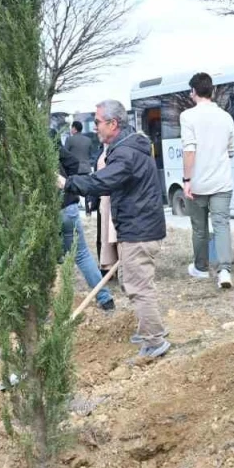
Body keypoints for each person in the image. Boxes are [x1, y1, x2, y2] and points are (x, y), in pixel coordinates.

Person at [61, 100, 170, 360]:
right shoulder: (129, 145)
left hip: (139, 229)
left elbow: (102, 181)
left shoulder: (125, 153)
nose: (95, 127)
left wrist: (67, 183)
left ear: (113, 123)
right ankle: (150, 330)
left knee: (137, 285)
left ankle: (154, 341)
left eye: (98, 121)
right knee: (136, 282)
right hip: (140, 225)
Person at [181, 72, 234, 289]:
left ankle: (201, 267)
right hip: (222, 181)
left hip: (197, 183)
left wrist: (187, 179)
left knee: (199, 228)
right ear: (212, 91)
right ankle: (224, 270)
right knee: (222, 224)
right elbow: (230, 151)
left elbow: (189, 150)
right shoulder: (226, 117)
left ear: (193, 92)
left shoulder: (187, 116)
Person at [57, 128, 115, 313]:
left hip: (45, 211)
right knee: (82, 254)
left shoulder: (18, 150)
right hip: (68, 206)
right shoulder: (50, 144)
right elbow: (72, 162)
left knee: (47, 259)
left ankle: (45, 310)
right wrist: (66, 180)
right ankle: (105, 299)